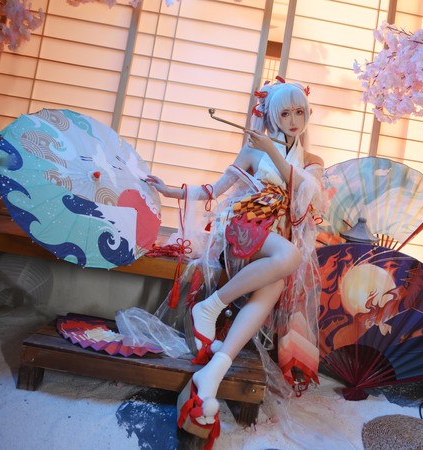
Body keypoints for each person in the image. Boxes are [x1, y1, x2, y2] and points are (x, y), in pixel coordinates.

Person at [133, 78, 326, 446]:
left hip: (275, 244)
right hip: (245, 228)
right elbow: (215, 189)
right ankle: (211, 305)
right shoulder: (253, 151)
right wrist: (169, 190)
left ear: (307, 114)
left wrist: (272, 151)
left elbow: (307, 194)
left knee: (278, 280)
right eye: (285, 113)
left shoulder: (312, 161)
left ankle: (212, 375)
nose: (293, 120)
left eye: (299, 112)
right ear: (271, 116)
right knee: (289, 256)